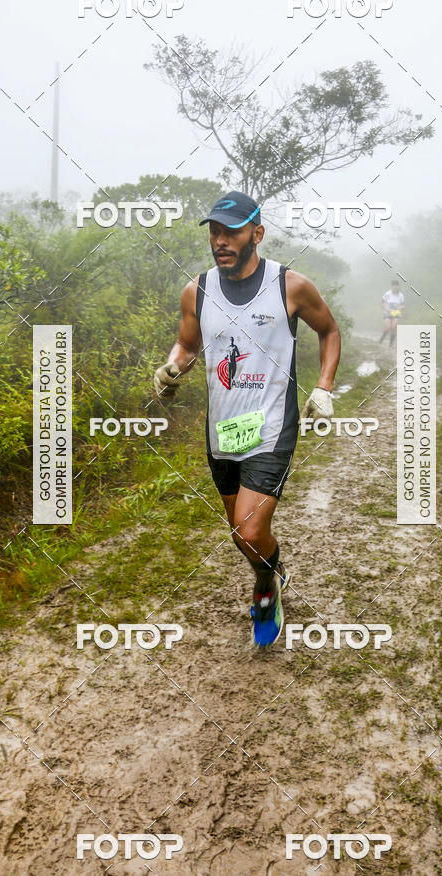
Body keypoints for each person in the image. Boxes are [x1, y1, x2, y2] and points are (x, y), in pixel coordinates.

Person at [153, 191, 341, 646]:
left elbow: (330, 331)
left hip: (273, 426)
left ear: (257, 234)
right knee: (240, 534)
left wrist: (324, 387)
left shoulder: (290, 286)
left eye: (231, 231)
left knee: (248, 527)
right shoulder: (196, 290)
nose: (221, 240)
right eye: (215, 231)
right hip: (222, 430)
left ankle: (264, 585)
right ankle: (272, 567)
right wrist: (173, 365)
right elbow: (189, 342)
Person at [379, 278, 405, 345]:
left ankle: (390, 344)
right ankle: (381, 339)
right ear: (391, 286)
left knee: (393, 327)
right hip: (387, 312)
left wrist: (400, 308)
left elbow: (403, 305)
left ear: (398, 286)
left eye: (397, 285)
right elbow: (381, 303)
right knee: (387, 328)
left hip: (396, 313)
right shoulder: (387, 294)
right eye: (394, 285)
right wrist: (386, 309)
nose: (395, 287)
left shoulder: (401, 295)